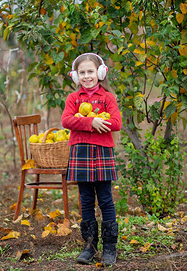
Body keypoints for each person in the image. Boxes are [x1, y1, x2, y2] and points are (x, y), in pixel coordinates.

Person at [61, 53, 122, 266]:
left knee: (105, 199)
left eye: (91, 71)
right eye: (82, 73)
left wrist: (95, 121)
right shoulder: (73, 99)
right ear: (76, 76)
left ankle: (110, 247)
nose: (87, 76)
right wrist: (91, 122)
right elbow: (66, 120)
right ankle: (89, 245)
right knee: (86, 199)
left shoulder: (107, 97)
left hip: (102, 152)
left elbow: (116, 123)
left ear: (100, 73)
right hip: (81, 153)